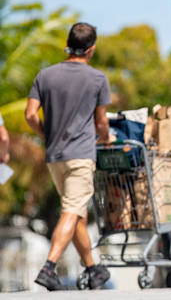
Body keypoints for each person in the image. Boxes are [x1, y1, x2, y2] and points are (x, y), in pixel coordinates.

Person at [25, 22, 112, 291]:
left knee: (77, 216)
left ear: (68, 44)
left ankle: (92, 268)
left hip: (55, 156)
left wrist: (46, 134)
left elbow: (29, 115)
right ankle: (49, 267)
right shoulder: (98, 79)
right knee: (72, 211)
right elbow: (100, 122)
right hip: (80, 155)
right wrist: (107, 138)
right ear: (92, 48)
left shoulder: (45, 75)